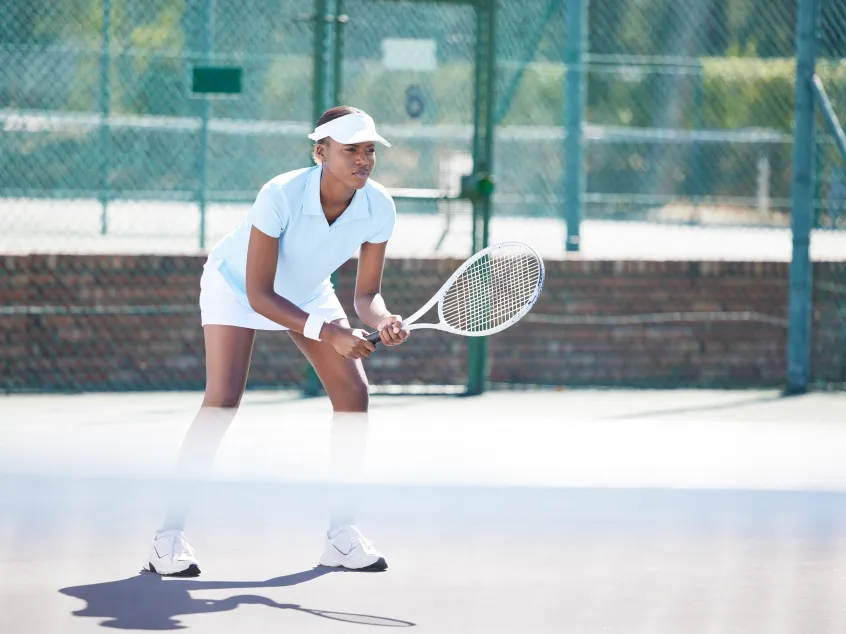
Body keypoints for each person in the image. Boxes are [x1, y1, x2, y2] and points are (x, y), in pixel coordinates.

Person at [144, 106, 409, 577]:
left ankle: (341, 536)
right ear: (321, 152)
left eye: (370, 150)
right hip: (237, 286)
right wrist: (331, 332)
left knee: (354, 395)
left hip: (307, 289)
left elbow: (366, 296)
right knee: (222, 401)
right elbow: (259, 295)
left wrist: (384, 318)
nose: (363, 159)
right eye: (351, 149)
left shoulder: (379, 205)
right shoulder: (280, 194)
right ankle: (166, 538)